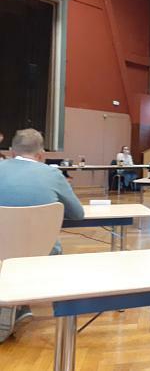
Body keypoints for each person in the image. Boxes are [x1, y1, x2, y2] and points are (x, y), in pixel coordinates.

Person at [0, 128, 84, 342]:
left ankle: (14, 303)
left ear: (11, 152)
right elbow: (78, 214)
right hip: (42, 251)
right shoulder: (53, 174)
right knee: (45, 247)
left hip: (2, 249)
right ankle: (21, 303)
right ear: (41, 154)